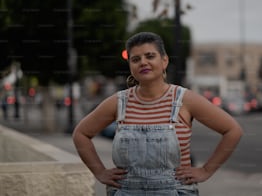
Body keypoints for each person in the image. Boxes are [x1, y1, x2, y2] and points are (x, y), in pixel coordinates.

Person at [72, 32, 243, 195]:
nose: (143, 62)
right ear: (130, 65)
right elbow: (81, 134)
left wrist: (206, 170)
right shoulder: (118, 102)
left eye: (150, 56)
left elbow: (232, 130)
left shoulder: (185, 100)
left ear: (164, 61)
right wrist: (100, 172)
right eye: (136, 59)